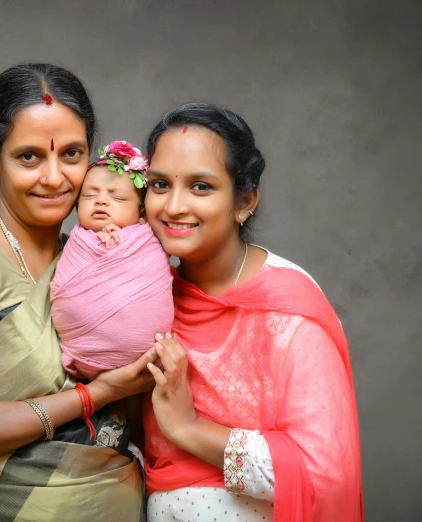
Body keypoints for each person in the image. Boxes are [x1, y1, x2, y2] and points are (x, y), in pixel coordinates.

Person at [0, 63, 157, 522]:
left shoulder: (92, 256)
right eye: (29, 157)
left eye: (72, 154)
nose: (55, 178)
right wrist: (93, 396)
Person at [140, 103, 363, 521]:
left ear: (245, 202)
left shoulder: (289, 311)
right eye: (159, 184)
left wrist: (189, 428)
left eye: (201, 187)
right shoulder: (148, 294)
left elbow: (325, 474)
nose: (173, 206)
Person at [50, 141, 174, 381]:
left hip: (149, 358)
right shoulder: (77, 241)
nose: (101, 201)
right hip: (82, 355)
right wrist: (97, 242)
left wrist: (123, 241)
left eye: (117, 197)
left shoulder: (148, 237)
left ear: (141, 212)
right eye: (89, 195)